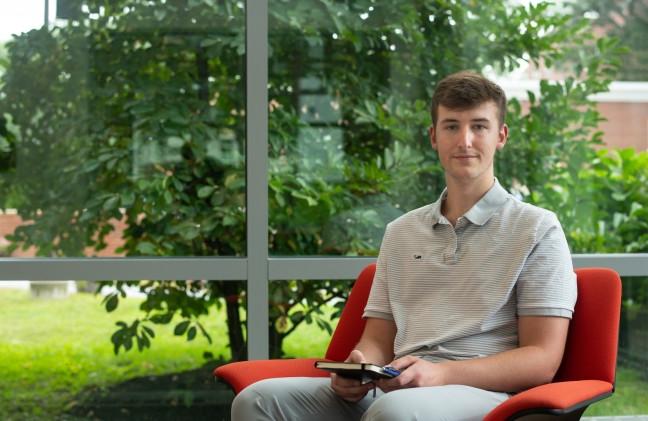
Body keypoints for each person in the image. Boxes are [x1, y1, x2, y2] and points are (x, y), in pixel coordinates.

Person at [231, 71, 577, 421]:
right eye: (451, 126)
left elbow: (542, 360)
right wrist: (362, 364)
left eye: (479, 126)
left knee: (393, 413)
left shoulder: (537, 228)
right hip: (398, 386)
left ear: (501, 136)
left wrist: (441, 374)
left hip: (484, 394)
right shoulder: (401, 231)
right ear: (433, 136)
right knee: (256, 400)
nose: (465, 140)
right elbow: (378, 340)